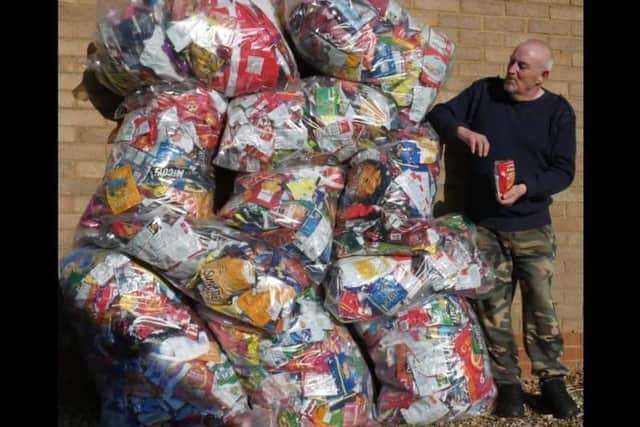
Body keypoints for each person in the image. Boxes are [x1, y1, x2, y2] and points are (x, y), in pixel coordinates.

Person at [426, 39, 579, 419]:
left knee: (540, 307)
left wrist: (525, 187)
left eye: (522, 66)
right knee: (493, 307)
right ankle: (507, 385)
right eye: (512, 62)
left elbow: (564, 169)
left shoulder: (558, 111)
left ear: (542, 74)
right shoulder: (484, 92)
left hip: (531, 225)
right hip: (486, 226)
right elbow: (440, 114)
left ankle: (551, 382)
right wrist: (464, 133)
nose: (511, 70)